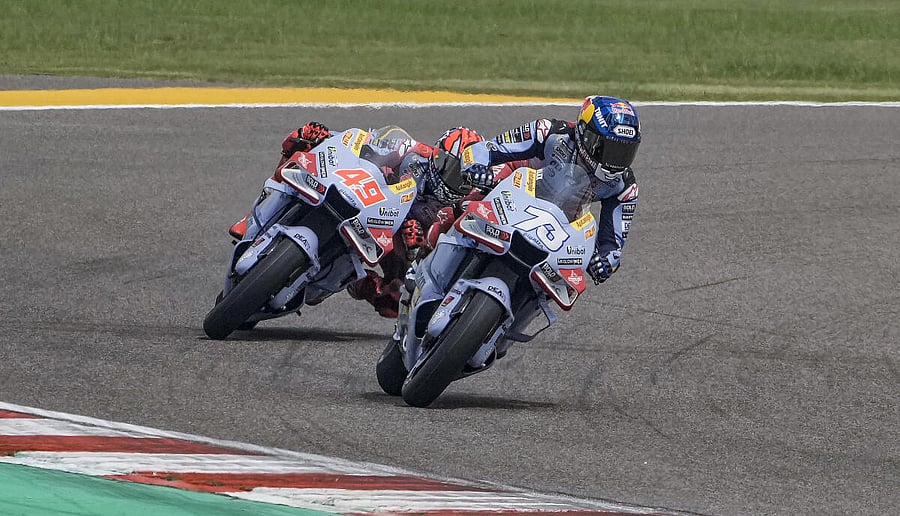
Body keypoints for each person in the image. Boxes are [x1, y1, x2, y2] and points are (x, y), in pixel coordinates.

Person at [459, 95, 642, 285]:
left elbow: (612, 245)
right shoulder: (548, 132)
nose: (615, 161)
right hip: (514, 187)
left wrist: (604, 262)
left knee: (562, 278)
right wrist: (475, 167)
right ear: (585, 134)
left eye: (624, 152)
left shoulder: (624, 187)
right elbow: (490, 148)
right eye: (609, 149)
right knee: (468, 203)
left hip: (558, 221)